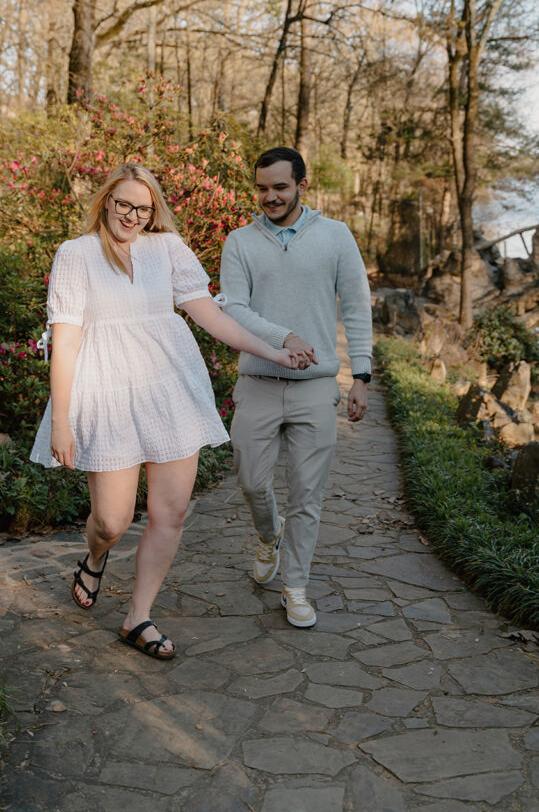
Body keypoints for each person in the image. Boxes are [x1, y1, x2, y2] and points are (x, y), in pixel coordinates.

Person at [30, 162, 300, 660]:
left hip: (169, 391)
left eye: (143, 207)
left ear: (154, 210)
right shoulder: (77, 254)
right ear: (106, 199)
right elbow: (64, 342)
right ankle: (94, 556)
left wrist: (275, 350)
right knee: (111, 521)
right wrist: (62, 420)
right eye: (123, 203)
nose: (131, 216)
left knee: (169, 511)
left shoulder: (168, 250)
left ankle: (138, 617)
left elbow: (212, 317)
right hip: (107, 394)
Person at [220, 146, 372, 628]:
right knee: (250, 480)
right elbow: (233, 309)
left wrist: (361, 376)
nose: (270, 196)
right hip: (258, 382)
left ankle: (296, 587)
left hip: (315, 386)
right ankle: (269, 535)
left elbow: (357, 306)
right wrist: (282, 338)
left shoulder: (335, 236)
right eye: (262, 188)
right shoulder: (239, 242)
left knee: (307, 495)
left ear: (302, 186)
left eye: (280, 187)